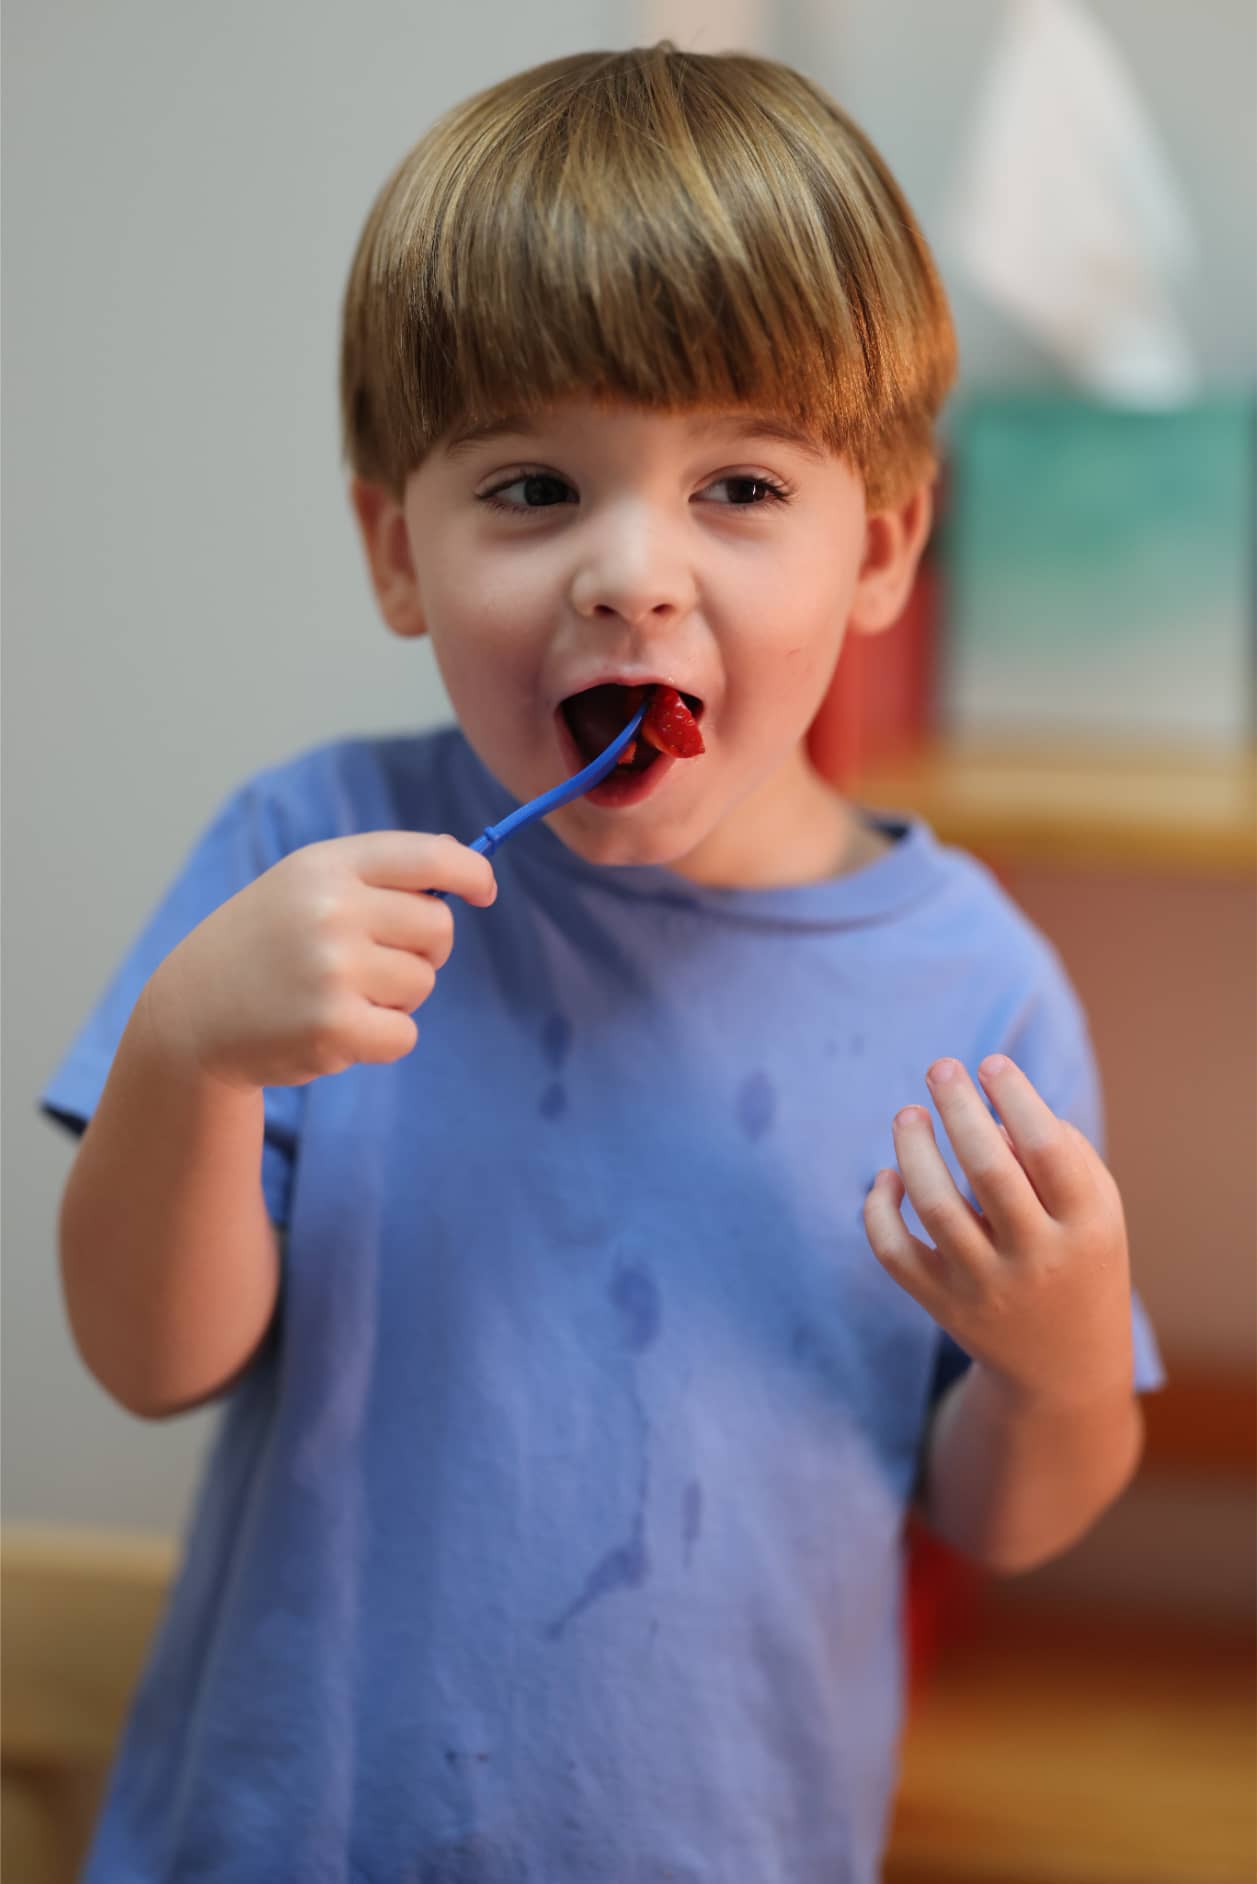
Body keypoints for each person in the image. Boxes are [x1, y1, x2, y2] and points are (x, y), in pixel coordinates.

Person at [41, 41, 1165, 1883]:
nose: (632, 576)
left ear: (876, 548)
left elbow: (1006, 1521)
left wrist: (1051, 1370)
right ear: (392, 548)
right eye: (533, 491)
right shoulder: (294, 868)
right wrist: (188, 1052)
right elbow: (152, 1362)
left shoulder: (978, 989)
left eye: (737, 488)